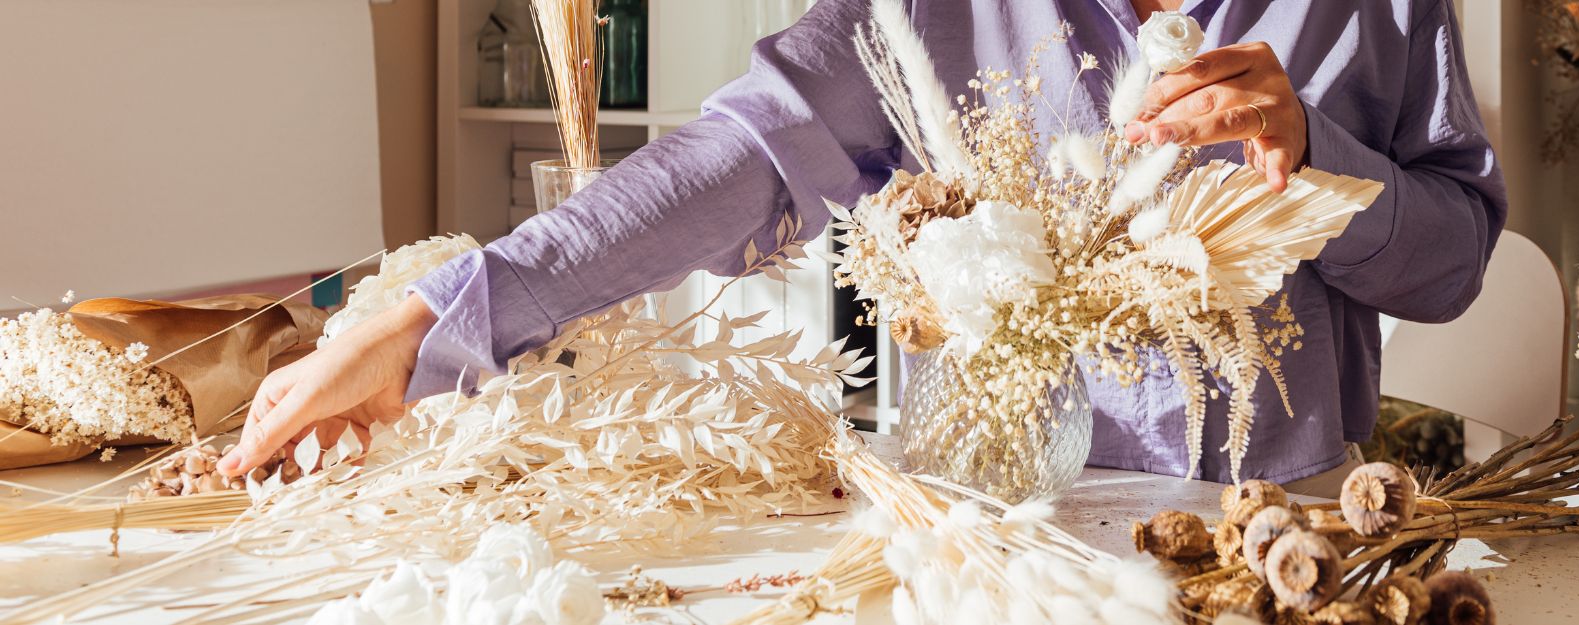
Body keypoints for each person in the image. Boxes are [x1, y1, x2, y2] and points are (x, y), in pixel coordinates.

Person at [218, 0, 1505, 497]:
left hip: (1279, 542)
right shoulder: (924, 9)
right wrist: (433, 319)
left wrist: (1320, 162)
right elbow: (724, 164)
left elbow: (1451, 267)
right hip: (996, 538)